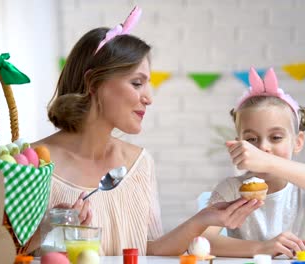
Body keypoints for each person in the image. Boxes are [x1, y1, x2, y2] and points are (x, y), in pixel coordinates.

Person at [30, 6, 262, 256]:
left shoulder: (140, 164)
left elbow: (149, 250)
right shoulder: (33, 162)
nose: (149, 98)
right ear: (92, 83)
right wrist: (49, 228)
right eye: (137, 83)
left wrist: (202, 220)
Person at [202, 67, 305, 258]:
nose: (263, 147)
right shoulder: (231, 189)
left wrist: (269, 162)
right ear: (239, 143)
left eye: (276, 137)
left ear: (298, 142)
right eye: (252, 139)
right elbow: (202, 241)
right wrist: (261, 249)